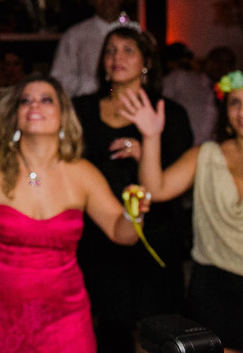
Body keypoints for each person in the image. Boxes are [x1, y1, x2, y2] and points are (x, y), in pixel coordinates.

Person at [0, 76, 154, 353]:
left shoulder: (82, 173)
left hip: (65, 315)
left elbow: (122, 234)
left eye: (46, 99)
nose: (35, 105)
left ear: (62, 115)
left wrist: (133, 215)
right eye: (26, 100)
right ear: (16, 117)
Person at [72, 24, 192, 353]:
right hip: (97, 231)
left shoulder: (168, 113)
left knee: (151, 329)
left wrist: (144, 153)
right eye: (110, 50)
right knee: (101, 323)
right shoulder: (80, 109)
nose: (116, 57)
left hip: (153, 230)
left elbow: (180, 175)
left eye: (127, 50)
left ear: (146, 63)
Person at [120, 71, 243, 353]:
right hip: (214, 286)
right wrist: (151, 137)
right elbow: (156, 189)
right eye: (235, 102)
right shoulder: (206, 154)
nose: (241, 112)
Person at [51, 0, 125, 98]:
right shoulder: (74, 36)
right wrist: (94, 85)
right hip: (87, 107)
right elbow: (58, 79)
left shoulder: (136, 34)